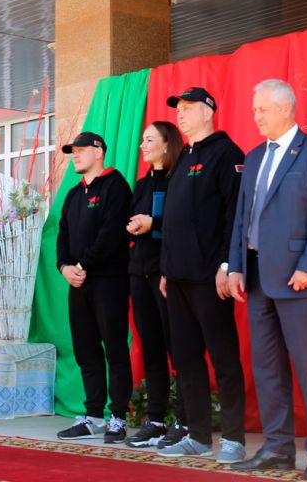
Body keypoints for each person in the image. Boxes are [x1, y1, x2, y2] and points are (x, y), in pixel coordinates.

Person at [226, 79, 307, 480]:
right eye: (254, 109)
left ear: (286, 108)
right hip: (257, 277)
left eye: (262, 109)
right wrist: (235, 265)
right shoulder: (255, 156)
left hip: (299, 279)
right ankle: (277, 448)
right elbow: (242, 217)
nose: (256, 116)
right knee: (267, 368)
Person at [156, 87, 246, 464]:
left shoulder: (227, 153)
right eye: (178, 108)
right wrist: (165, 269)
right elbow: (172, 221)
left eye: (189, 108)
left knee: (223, 357)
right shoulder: (183, 158)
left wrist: (227, 264)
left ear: (208, 112)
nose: (181, 114)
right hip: (176, 277)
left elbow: (235, 214)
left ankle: (235, 439)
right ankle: (197, 435)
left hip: (211, 277)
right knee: (186, 359)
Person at [55, 132, 134, 443]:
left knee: (114, 348)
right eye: (72, 151)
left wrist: (83, 264)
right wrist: (64, 267)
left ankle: (118, 417)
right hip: (77, 283)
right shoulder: (74, 194)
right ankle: (93, 416)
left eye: (80, 150)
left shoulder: (115, 185)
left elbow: (112, 234)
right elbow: (62, 236)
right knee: (86, 349)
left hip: (108, 281)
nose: (75, 155)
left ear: (98, 151)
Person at [124, 121, 188, 448]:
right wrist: (135, 225)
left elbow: (184, 223)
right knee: (151, 349)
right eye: (142, 140)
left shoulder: (179, 179)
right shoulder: (141, 183)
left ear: (166, 144)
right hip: (140, 273)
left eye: (149, 140)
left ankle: (186, 420)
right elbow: (133, 220)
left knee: (178, 348)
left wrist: (155, 223)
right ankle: (156, 420)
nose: (143, 145)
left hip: (168, 273)